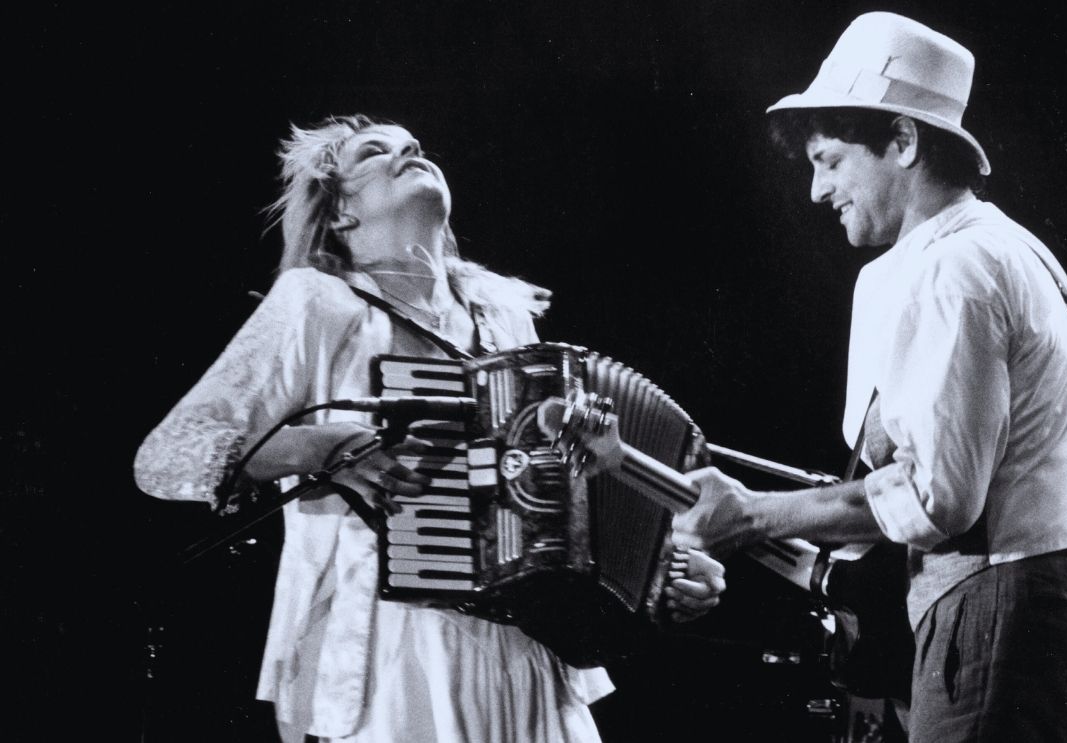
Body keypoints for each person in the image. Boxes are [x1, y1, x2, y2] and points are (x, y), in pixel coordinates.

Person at [134, 114, 725, 743]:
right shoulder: (318, 300)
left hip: (529, 648)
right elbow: (168, 456)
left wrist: (664, 562)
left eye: (412, 144)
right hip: (393, 650)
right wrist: (323, 444)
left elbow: (556, 493)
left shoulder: (503, 316)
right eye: (374, 152)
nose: (410, 149)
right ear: (339, 215)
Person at [671, 13, 1067, 742]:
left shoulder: (948, 268)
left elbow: (937, 498)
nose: (815, 191)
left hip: (997, 618)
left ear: (902, 141)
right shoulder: (1018, 252)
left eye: (827, 160)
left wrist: (753, 515)